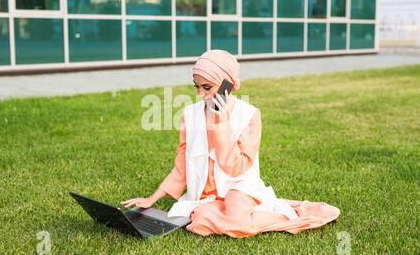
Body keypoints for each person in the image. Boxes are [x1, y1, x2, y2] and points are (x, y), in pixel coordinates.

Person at [121, 49, 340, 237]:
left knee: (237, 223)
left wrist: (222, 121)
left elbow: (235, 167)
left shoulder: (249, 115)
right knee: (199, 223)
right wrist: (153, 198)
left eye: (207, 87)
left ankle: (284, 215)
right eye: (196, 87)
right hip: (206, 195)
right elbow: (182, 164)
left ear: (229, 85)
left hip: (239, 187)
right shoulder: (190, 114)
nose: (200, 94)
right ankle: (217, 213)